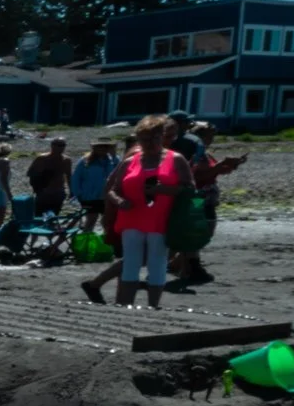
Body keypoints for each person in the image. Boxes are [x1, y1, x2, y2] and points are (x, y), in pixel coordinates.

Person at [99, 113, 184, 308]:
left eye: (155, 138)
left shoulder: (175, 159)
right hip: (131, 218)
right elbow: (112, 188)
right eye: (144, 139)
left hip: (160, 219)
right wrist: (118, 202)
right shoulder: (132, 159)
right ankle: (125, 304)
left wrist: (164, 190)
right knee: (131, 262)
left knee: (157, 262)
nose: (149, 143)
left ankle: (153, 305)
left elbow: (188, 188)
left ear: (161, 137)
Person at [167, 128, 247, 288]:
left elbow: (214, 172)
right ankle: (182, 264)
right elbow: (198, 177)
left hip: (207, 198)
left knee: (202, 229)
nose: (211, 140)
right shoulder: (192, 154)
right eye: (208, 137)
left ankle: (180, 263)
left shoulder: (204, 154)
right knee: (199, 229)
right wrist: (221, 165)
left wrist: (231, 165)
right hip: (197, 199)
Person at [69, 140, 116, 233]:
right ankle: (86, 239)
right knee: (91, 220)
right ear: (94, 148)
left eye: (105, 147)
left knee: (107, 220)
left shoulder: (112, 160)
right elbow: (76, 178)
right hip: (89, 196)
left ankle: (106, 239)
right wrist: (78, 193)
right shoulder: (85, 161)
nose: (103, 149)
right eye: (100, 146)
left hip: (106, 196)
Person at [26, 135, 72, 217]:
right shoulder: (42, 158)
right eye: (58, 145)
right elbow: (30, 174)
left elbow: (69, 176)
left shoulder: (66, 160)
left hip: (59, 191)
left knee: (54, 214)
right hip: (44, 192)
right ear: (52, 146)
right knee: (39, 214)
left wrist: (72, 191)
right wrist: (38, 187)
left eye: (63, 145)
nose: (61, 148)